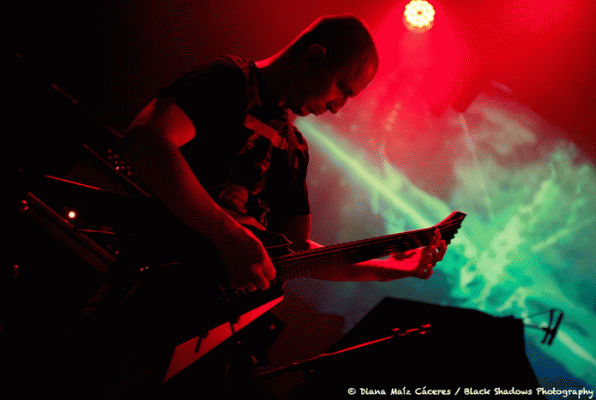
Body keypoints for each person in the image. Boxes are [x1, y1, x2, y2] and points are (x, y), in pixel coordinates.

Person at [119, 13, 447, 296]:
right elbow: (145, 140)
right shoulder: (229, 79)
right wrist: (227, 234)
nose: (337, 107)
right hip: (145, 278)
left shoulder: (295, 148)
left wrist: (390, 267)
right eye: (342, 88)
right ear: (315, 56)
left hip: (205, 313)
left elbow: (298, 254)